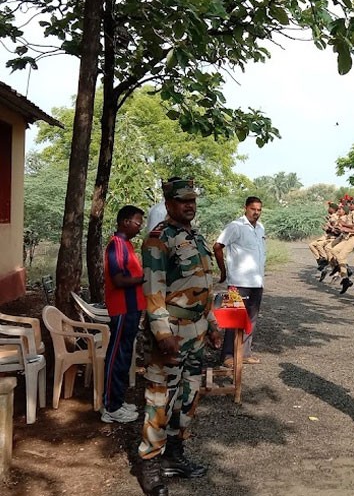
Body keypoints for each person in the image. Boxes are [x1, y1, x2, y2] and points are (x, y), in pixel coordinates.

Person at [137, 178, 223, 496]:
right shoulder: (159, 240)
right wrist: (162, 335)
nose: (190, 205)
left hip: (197, 334)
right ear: (169, 203)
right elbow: (154, 290)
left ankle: (174, 455)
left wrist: (212, 324)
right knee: (160, 400)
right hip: (171, 335)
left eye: (193, 200)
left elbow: (202, 288)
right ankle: (150, 464)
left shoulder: (195, 237)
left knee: (188, 398)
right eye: (183, 200)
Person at [101, 205, 146, 424]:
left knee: (125, 357)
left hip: (132, 309)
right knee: (117, 357)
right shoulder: (116, 245)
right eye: (138, 222)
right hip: (122, 309)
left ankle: (118, 400)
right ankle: (110, 406)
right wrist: (144, 279)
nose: (140, 227)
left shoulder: (127, 245)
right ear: (126, 221)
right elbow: (119, 281)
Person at [213, 196, 266, 367]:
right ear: (245, 208)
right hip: (238, 281)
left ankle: (243, 353)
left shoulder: (260, 228)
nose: (256, 212)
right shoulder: (235, 227)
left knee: (251, 319)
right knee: (233, 319)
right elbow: (217, 246)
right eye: (253, 209)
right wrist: (223, 270)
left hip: (256, 282)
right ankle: (228, 356)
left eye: (259, 210)